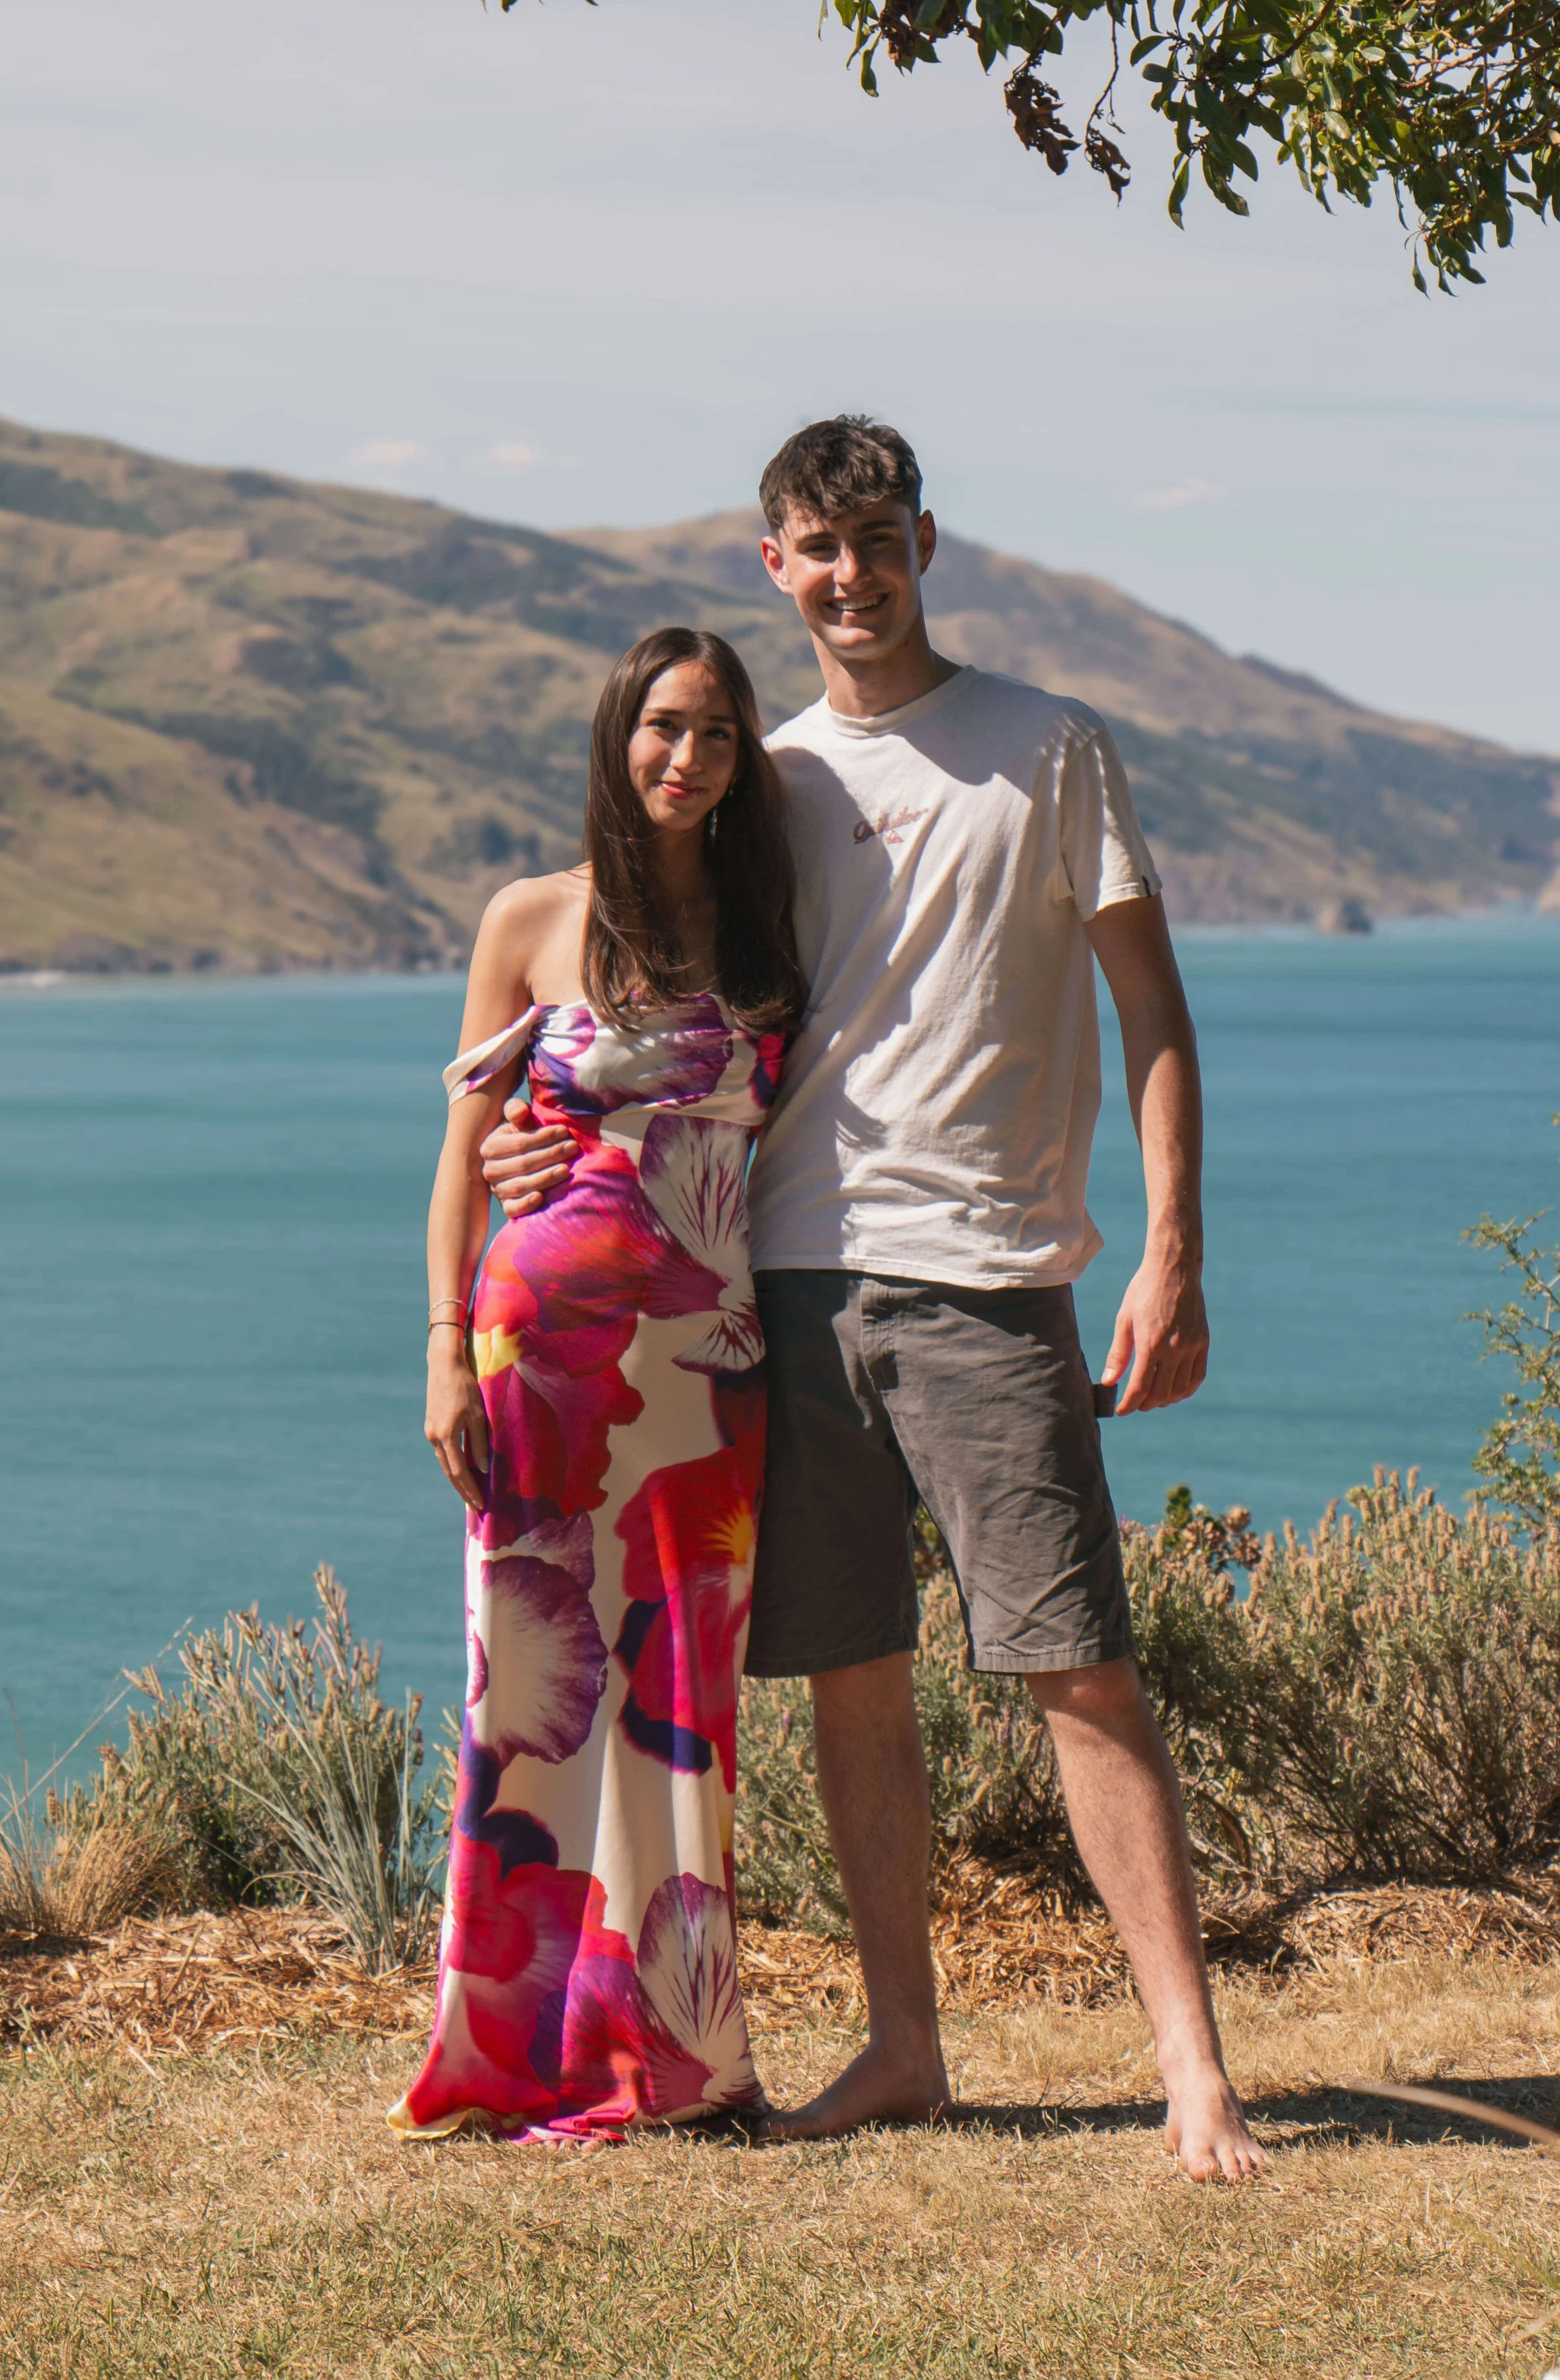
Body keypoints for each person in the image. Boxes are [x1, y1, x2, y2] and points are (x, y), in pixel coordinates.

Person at [481, 418, 1268, 2182]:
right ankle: (903, 2046)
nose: (852, 574)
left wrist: (1172, 1252)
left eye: (878, 537)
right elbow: (635, 1005)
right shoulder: (756, 781)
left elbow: (1150, 1011)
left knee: (1075, 1666)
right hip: (780, 1282)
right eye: (817, 547)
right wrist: (540, 1145)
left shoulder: (1047, 746)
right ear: (774, 564)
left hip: (987, 1277)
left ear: (925, 541)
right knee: (850, 1674)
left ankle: (1191, 2067)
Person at [390, 625, 804, 2145]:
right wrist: (442, 1349)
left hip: (707, 1366)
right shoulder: (530, 918)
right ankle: (509, 2053)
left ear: (742, 760)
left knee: (680, 1700)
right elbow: (463, 1154)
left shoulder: (766, 934)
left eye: (715, 733)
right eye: (661, 726)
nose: (685, 757)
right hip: (539, 1357)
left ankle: (678, 2059)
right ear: (615, 737)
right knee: (533, 1700)